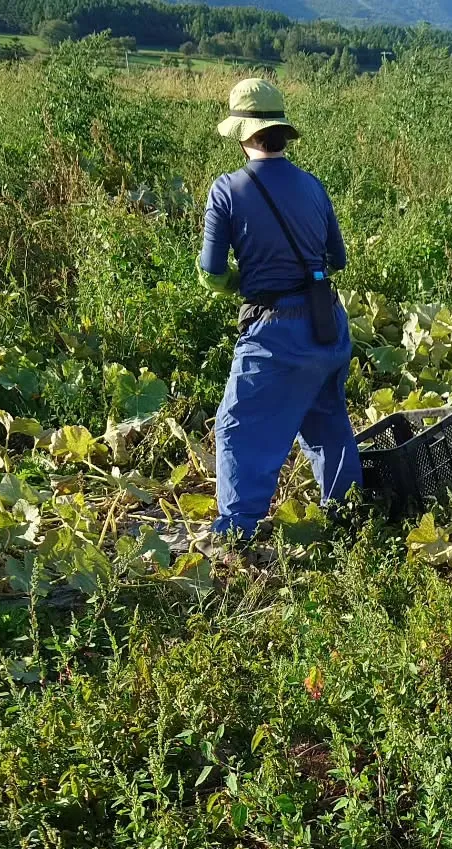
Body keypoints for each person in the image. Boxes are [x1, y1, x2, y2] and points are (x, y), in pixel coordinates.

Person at [198, 78, 362, 538]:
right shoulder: (313, 185)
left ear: (242, 133)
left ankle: (236, 533)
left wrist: (243, 283)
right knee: (326, 421)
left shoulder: (227, 190)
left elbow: (211, 273)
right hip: (328, 325)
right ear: (280, 131)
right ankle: (348, 519)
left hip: (275, 335)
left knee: (237, 428)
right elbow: (337, 260)